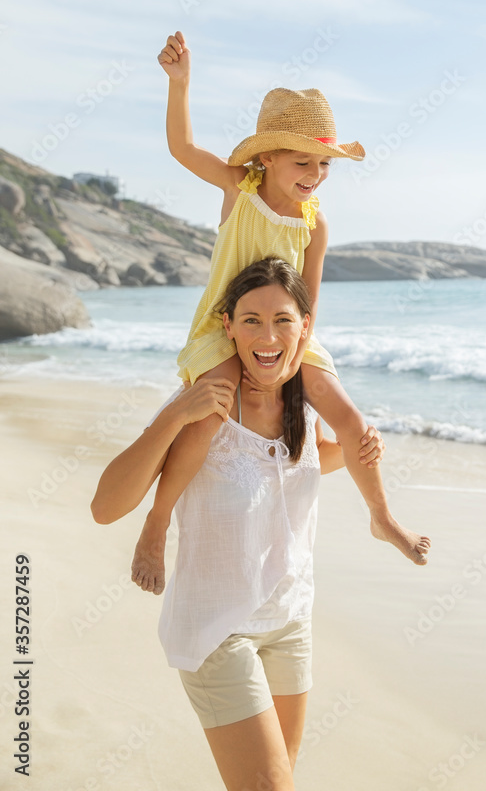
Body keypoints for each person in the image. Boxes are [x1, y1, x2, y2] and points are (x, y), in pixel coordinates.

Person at [130, 30, 431, 596]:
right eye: (302, 161)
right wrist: (180, 84)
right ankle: (157, 518)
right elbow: (181, 148)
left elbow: (309, 306)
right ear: (266, 157)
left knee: (354, 423)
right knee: (212, 406)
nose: (315, 174)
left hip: (290, 334)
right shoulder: (238, 190)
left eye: (324, 163)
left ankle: (381, 516)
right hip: (227, 329)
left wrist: (295, 355)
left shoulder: (316, 224)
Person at [91, 259, 387, 790]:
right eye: (251, 320)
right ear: (226, 326)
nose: (268, 336)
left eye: (283, 320)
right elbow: (105, 507)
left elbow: (315, 459)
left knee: (278, 781)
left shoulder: (302, 406)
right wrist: (175, 412)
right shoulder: (206, 408)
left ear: (304, 326)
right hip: (217, 630)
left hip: (290, 622)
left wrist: (361, 444)